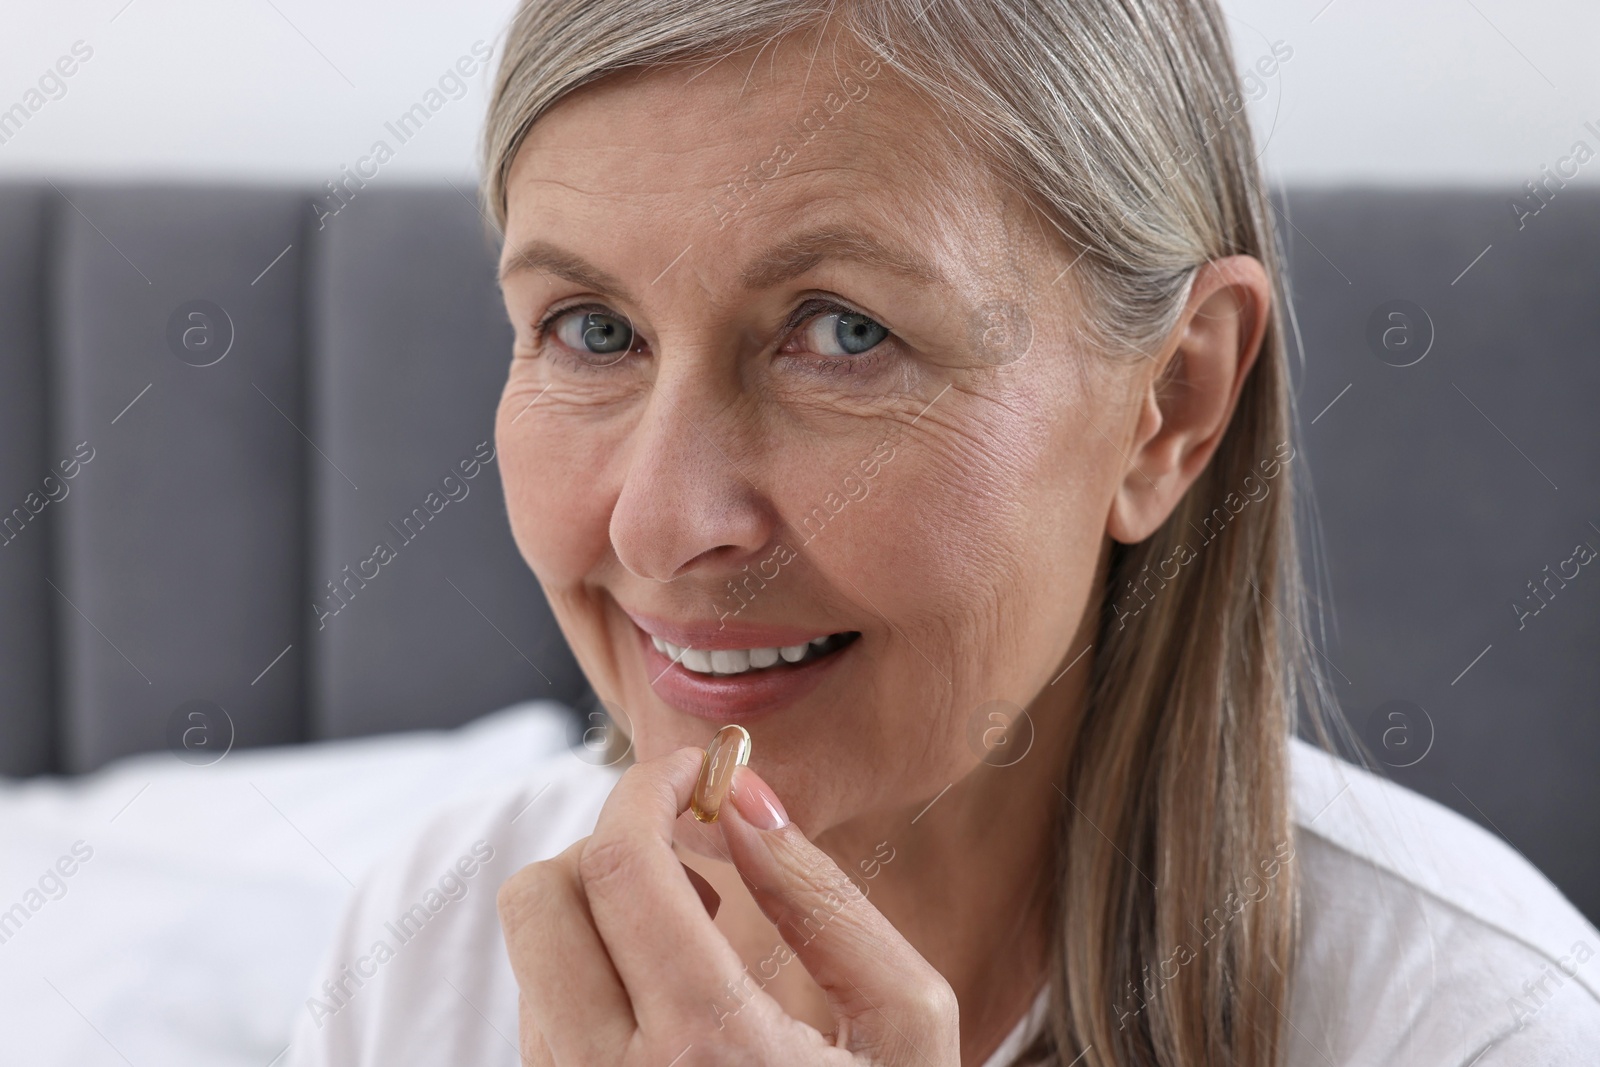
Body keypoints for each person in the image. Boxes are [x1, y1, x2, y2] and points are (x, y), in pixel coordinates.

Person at [285, 0, 1600, 1063]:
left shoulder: (1478, 1029)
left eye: (844, 333)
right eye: (592, 330)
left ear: (1170, 404)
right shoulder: (424, 952)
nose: (661, 523)